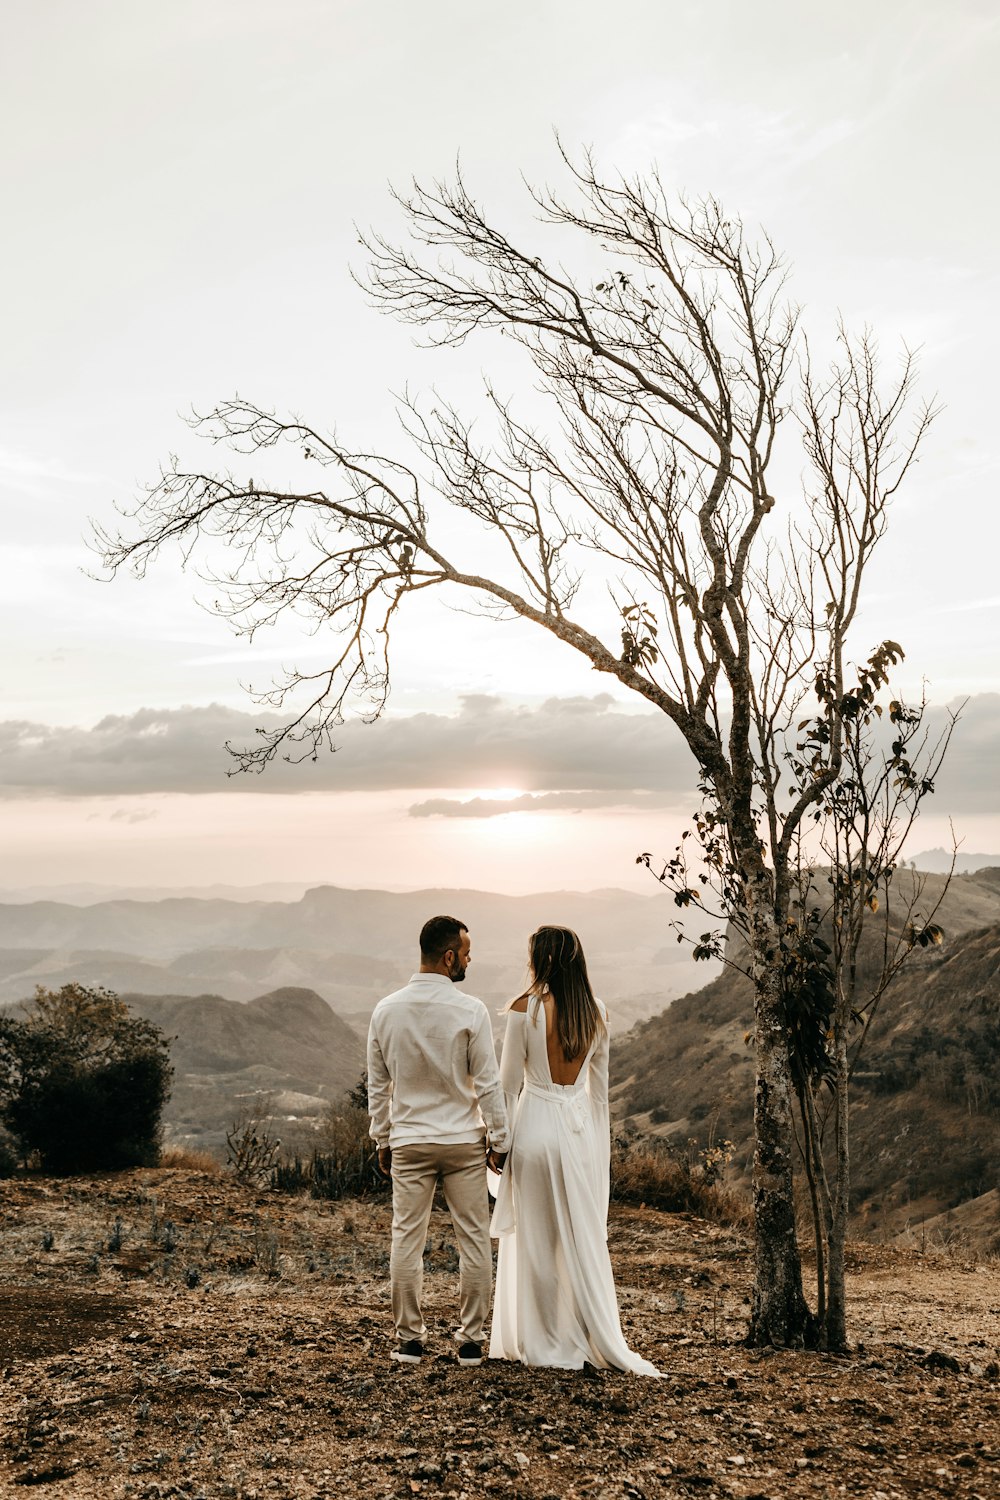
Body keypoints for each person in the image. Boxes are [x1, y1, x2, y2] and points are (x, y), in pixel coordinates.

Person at [488, 925, 660, 1376]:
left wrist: (498, 1144)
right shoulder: (597, 1012)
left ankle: (542, 1341)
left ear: (539, 960)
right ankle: (585, 1334)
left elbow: (507, 1087)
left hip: (535, 1131)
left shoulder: (524, 1010)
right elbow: (600, 1096)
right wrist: (597, 1154)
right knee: (580, 1244)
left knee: (538, 1243)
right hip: (580, 1133)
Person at [367, 914, 510, 1366]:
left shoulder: (385, 1010)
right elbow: (487, 1083)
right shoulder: (471, 1010)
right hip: (463, 1142)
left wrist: (381, 1138)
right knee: (473, 1239)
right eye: (466, 954)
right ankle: (470, 1341)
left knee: (406, 1239)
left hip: (409, 1141)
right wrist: (500, 1138)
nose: (469, 960)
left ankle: (409, 1340)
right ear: (449, 957)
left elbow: (378, 1085)